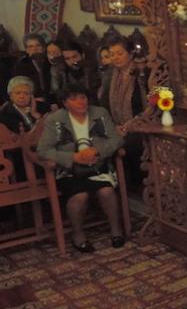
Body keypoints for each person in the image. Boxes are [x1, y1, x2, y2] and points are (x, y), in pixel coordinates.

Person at [37, 84, 126, 253]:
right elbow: (43, 151)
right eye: (74, 99)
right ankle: (78, 235)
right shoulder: (55, 120)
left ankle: (116, 231)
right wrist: (73, 157)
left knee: (107, 192)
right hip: (69, 171)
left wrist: (98, 151)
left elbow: (117, 139)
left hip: (98, 166)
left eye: (83, 97)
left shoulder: (100, 113)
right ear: (65, 103)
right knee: (80, 196)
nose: (81, 102)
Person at [99, 36, 148, 126]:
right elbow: (104, 103)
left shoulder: (141, 72)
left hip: (141, 125)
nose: (115, 58)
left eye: (120, 53)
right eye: (112, 55)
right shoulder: (110, 75)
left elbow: (146, 104)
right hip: (116, 127)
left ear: (131, 54)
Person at [10, 33, 52, 103]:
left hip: (51, 100)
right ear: (27, 50)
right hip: (31, 100)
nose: (34, 49)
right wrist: (32, 99)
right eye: (30, 46)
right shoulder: (21, 66)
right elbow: (18, 88)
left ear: (44, 48)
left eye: (38, 45)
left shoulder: (50, 63)